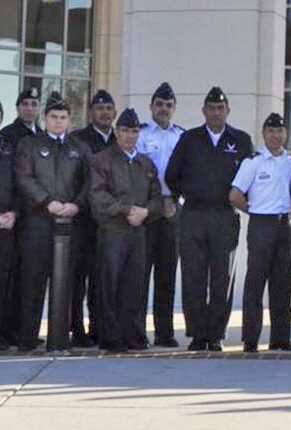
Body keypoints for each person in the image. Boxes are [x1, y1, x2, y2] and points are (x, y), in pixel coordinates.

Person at [165, 86, 253, 351]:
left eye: (220, 108)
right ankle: (197, 333)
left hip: (225, 216)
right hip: (194, 214)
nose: (216, 112)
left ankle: (215, 334)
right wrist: (188, 196)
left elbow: (249, 179)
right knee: (193, 275)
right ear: (204, 111)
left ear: (227, 111)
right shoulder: (190, 139)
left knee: (221, 277)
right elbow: (172, 175)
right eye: (211, 108)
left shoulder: (241, 140)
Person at [14, 92, 92, 351]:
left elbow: (90, 182)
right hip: (38, 224)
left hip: (70, 227)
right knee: (33, 282)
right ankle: (27, 339)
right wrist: (47, 201)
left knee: (68, 284)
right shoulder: (30, 145)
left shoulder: (79, 148)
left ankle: (60, 338)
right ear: (45, 118)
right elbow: (24, 179)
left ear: (69, 120)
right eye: (54, 117)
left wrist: (76, 204)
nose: (58, 121)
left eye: (63, 117)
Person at [88, 108, 162, 352]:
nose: (130, 135)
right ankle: (111, 337)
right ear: (116, 132)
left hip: (138, 233)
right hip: (113, 231)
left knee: (136, 285)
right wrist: (127, 210)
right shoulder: (102, 160)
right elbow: (98, 196)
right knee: (110, 284)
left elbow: (157, 199)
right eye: (125, 130)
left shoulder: (146, 164)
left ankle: (134, 335)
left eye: (134, 131)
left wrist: (146, 212)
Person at [229, 113, 291, 353]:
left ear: (285, 134)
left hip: (284, 225)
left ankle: (281, 338)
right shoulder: (254, 162)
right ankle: (250, 339)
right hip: (261, 224)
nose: (275, 136)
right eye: (271, 131)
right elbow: (235, 194)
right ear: (264, 134)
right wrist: (255, 211)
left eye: (280, 131)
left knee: (283, 284)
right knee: (255, 283)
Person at [67, 89, 118, 348]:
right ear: (91, 112)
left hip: (108, 223)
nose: (104, 113)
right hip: (83, 221)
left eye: (108, 108)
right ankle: (76, 329)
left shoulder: (120, 140)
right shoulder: (78, 139)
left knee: (102, 279)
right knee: (78, 281)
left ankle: (99, 328)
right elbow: (75, 179)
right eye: (99, 108)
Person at [136, 82, 184, 348]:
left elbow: (188, 173)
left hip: (173, 209)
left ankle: (164, 332)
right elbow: (137, 174)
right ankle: (138, 331)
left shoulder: (182, 136)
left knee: (167, 273)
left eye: (168, 105)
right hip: (147, 210)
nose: (164, 109)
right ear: (151, 107)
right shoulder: (141, 135)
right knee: (141, 274)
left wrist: (175, 201)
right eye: (159, 104)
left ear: (174, 109)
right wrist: (153, 204)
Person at [0, 87, 42, 347]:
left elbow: (15, 182)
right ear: (17, 108)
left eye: (33, 103)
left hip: (24, 217)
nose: (29, 108)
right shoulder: (9, 136)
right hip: (7, 221)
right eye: (24, 103)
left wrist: (14, 211)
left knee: (19, 278)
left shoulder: (41, 137)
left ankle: (16, 330)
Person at [0, 101, 16, 351]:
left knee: (3, 282)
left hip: (6, 224)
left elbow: (18, 184)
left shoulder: (7, 148)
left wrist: (15, 211)